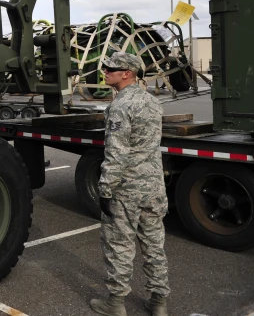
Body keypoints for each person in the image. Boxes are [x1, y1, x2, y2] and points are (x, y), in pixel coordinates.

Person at [89, 52, 170, 316]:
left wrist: (105, 188)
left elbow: (117, 151)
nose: (106, 71)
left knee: (119, 245)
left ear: (127, 73)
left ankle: (115, 304)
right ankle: (159, 303)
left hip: (127, 189)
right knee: (154, 245)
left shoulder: (120, 106)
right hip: (154, 187)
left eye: (112, 68)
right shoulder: (152, 102)